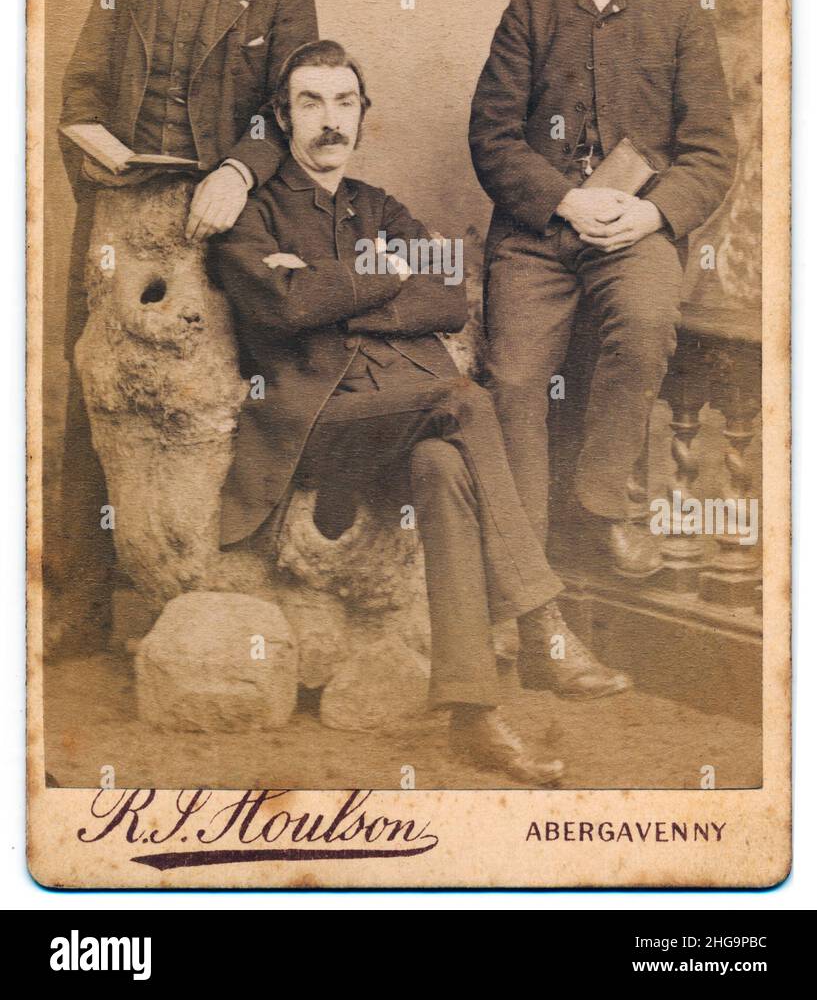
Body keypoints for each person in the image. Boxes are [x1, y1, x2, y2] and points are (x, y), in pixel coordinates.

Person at [213, 39, 632, 786]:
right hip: (315, 432)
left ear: (362, 115)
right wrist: (379, 276)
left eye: (344, 102)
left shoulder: (379, 206)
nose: (328, 121)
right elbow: (282, 307)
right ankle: (541, 625)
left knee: (443, 461)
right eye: (309, 103)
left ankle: (473, 716)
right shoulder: (254, 216)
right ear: (282, 117)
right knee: (462, 400)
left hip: (409, 424)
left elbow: (446, 293)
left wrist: (333, 294)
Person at [57, 0, 318, 644]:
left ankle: (229, 588)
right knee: (94, 386)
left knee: (238, 385)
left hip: (223, 213)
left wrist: (240, 171)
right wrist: (97, 159)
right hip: (123, 211)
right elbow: (81, 94)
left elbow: (292, 107)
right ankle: (83, 598)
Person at [469, 0, 738, 578]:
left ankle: (598, 503)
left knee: (649, 320)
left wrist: (653, 214)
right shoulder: (527, 12)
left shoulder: (679, 13)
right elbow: (490, 139)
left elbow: (713, 150)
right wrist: (562, 201)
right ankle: (525, 558)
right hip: (534, 236)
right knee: (516, 374)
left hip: (633, 231)